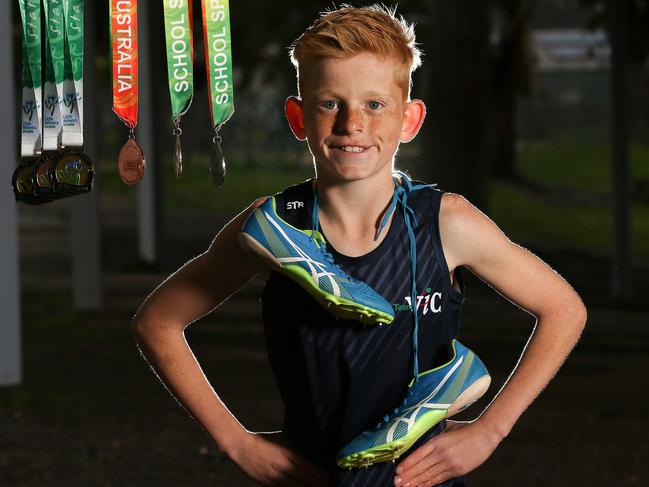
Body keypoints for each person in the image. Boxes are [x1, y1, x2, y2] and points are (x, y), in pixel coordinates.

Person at [132, 5, 587, 487]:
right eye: (330, 103)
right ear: (297, 117)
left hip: (415, 476)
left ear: (409, 120)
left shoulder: (445, 223)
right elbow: (156, 321)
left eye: (375, 105)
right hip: (315, 473)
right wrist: (237, 442)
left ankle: (441, 385)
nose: (352, 124)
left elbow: (564, 309)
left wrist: (490, 431)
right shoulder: (266, 228)